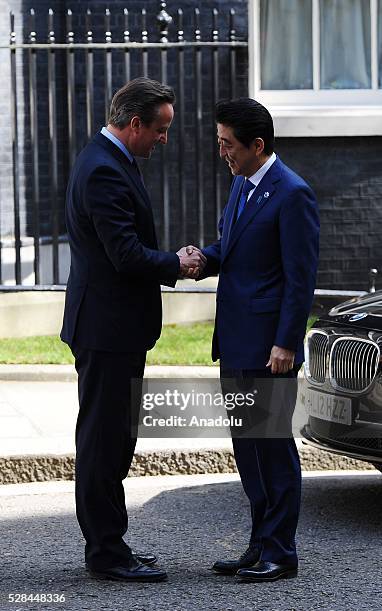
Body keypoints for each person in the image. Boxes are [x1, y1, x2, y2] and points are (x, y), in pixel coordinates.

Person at [60, 77, 205, 583]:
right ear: (135, 122)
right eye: (160, 129)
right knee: (104, 442)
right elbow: (124, 255)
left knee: (117, 439)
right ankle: (105, 554)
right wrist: (178, 263)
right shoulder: (103, 169)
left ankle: (113, 544)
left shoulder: (111, 160)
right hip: (106, 330)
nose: (164, 139)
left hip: (114, 328)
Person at [200, 98, 319, 582]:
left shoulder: (292, 194)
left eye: (228, 144)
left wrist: (287, 342)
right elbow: (231, 249)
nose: (222, 152)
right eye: (220, 143)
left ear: (257, 145)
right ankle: (258, 544)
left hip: (271, 349)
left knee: (272, 447)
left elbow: (300, 277)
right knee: (247, 448)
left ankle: (281, 552)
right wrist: (199, 260)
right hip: (236, 342)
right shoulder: (241, 185)